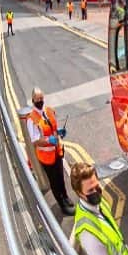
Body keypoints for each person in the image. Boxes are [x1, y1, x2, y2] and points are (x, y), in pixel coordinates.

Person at [26, 87, 74, 215]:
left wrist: (58, 133)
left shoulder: (48, 110)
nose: (40, 101)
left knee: (60, 177)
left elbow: (52, 128)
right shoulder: (32, 119)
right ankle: (62, 204)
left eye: (42, 98)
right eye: (38, 99)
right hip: (46, 155)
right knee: (54, 181)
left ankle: (65, 197)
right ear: (33, 100)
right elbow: (35, 141)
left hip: (56, 151)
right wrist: (49, 141)